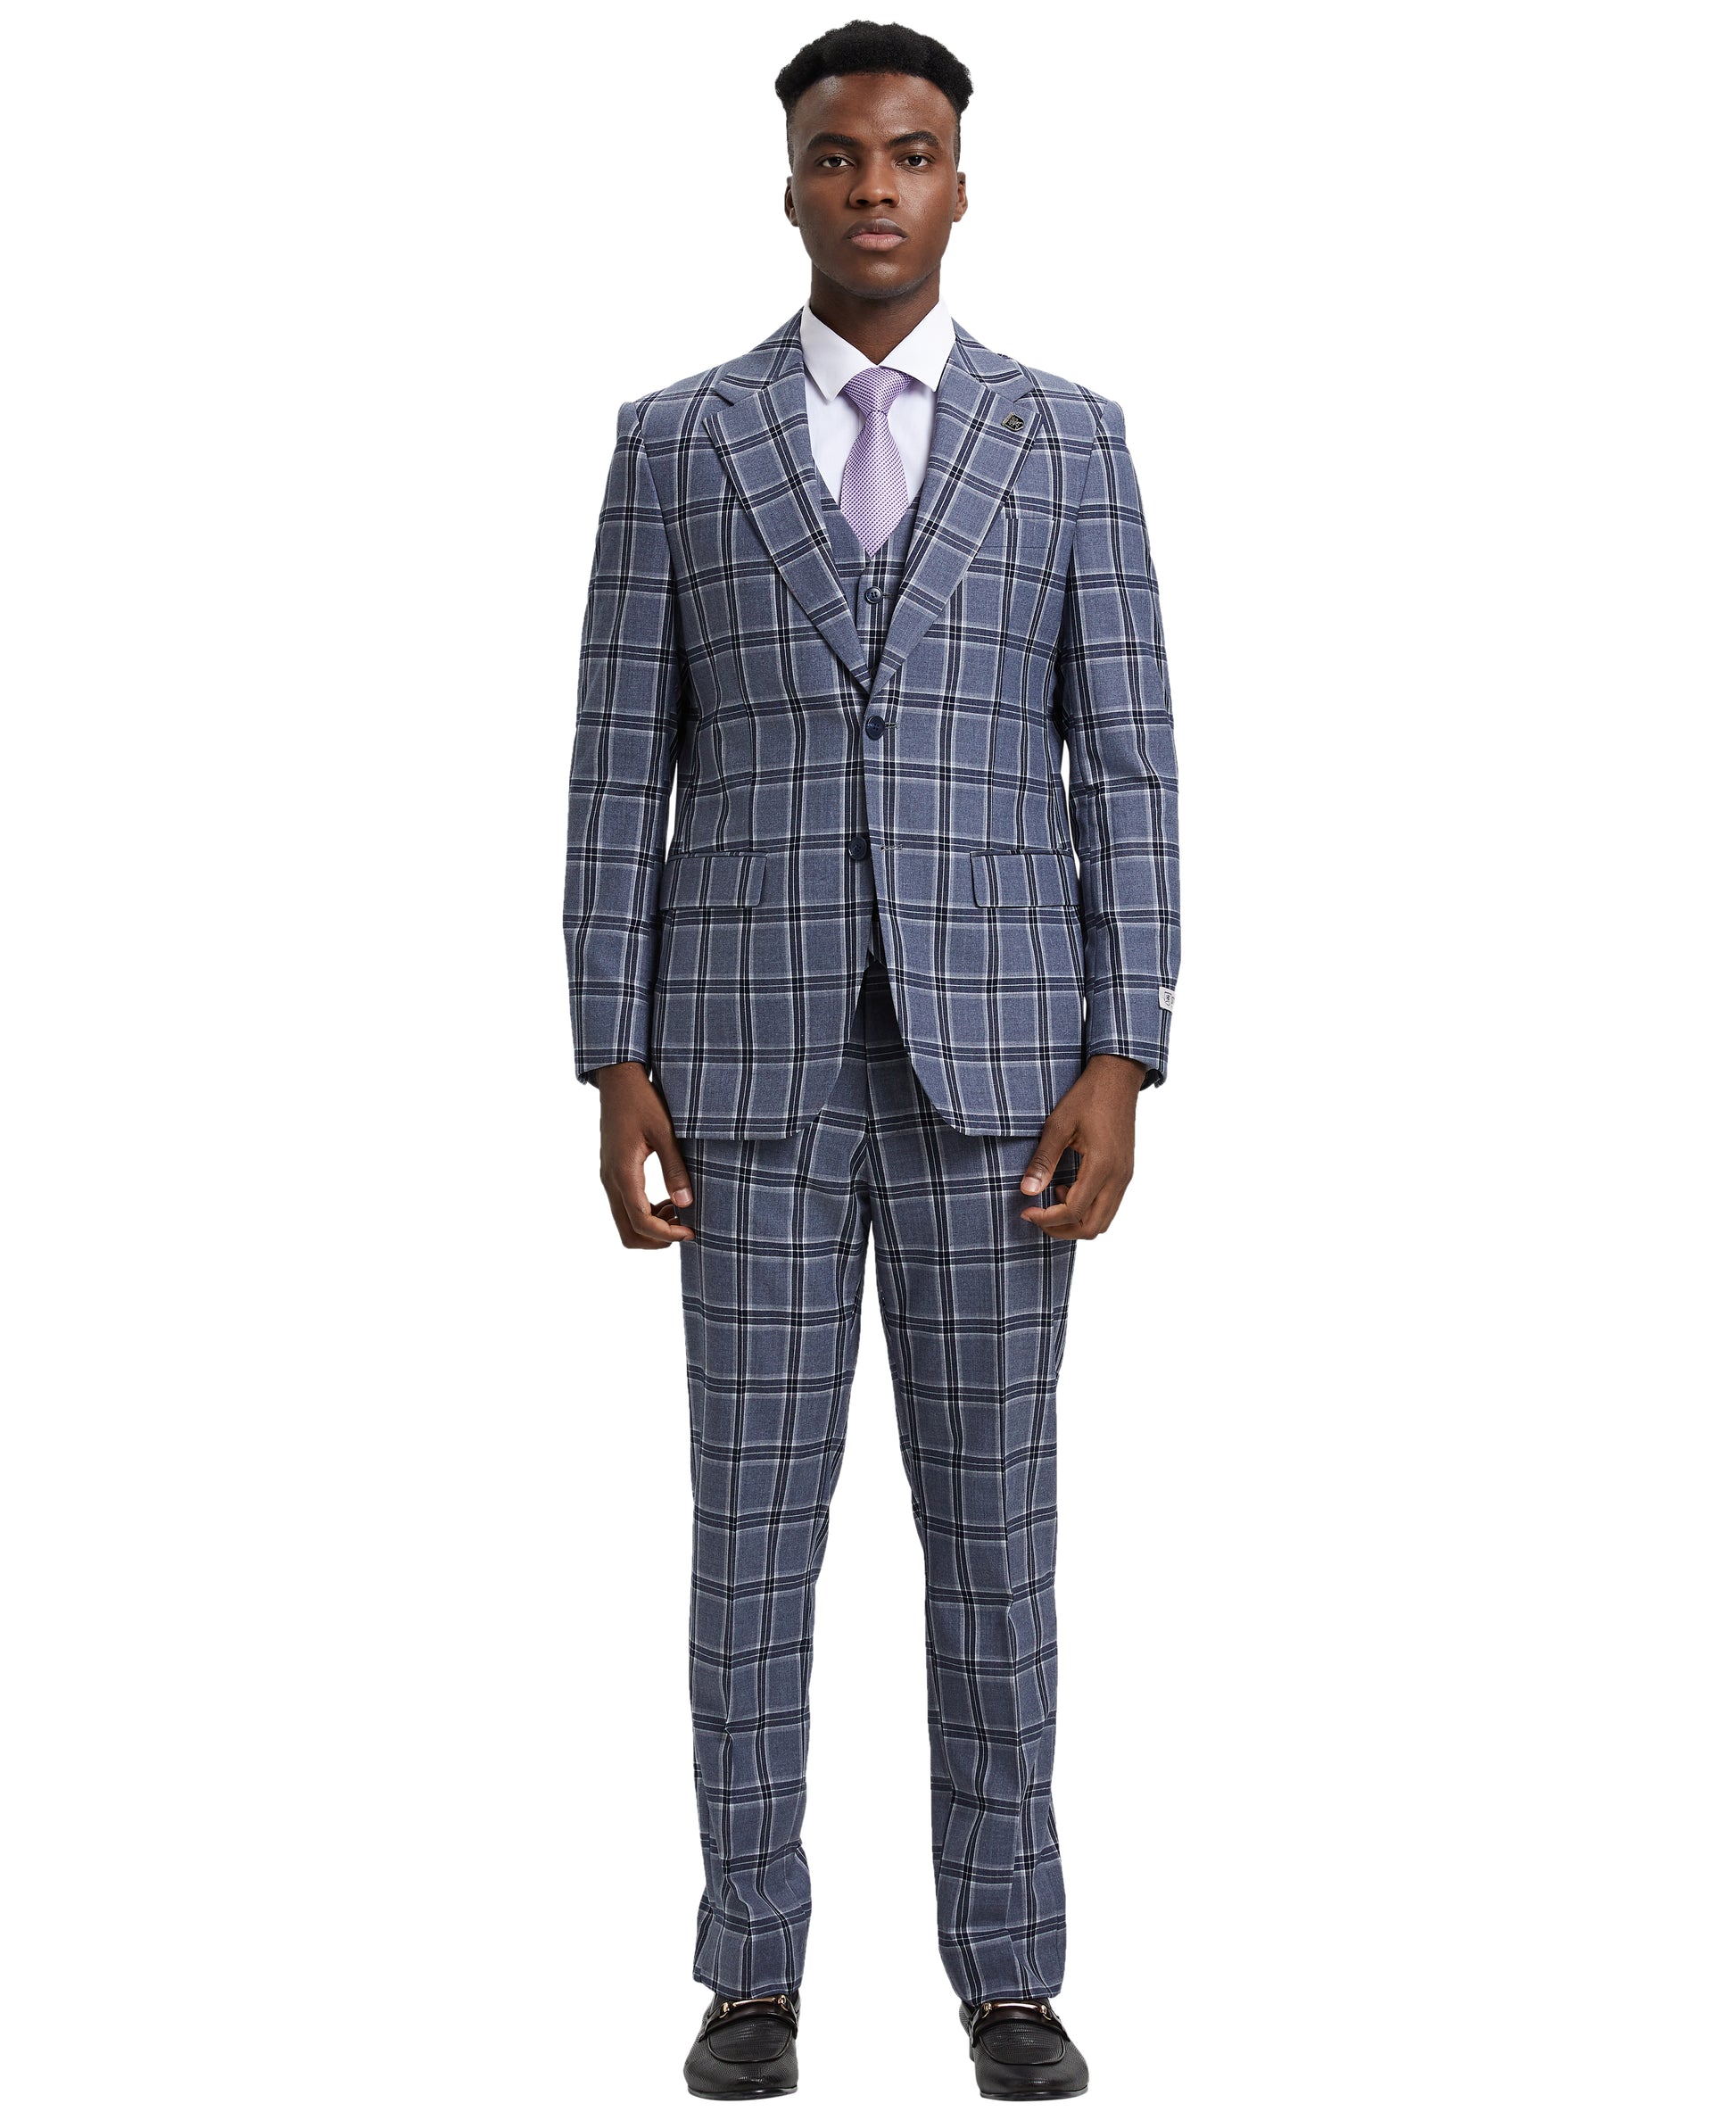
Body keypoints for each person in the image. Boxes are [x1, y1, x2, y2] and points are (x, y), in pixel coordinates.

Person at [563, 19, 1179, 2100]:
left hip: (1002, 1078)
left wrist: (1127, 1045)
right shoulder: (675, 444)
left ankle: (1008, 1970)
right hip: (741, 1076)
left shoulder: (1069, 443)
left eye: (911, 154)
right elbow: (616, 767)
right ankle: (751, 1969)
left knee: (995, 1543)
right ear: (790, 182)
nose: (874, 188)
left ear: (962, 181)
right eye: (839, 155)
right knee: (749, 1545)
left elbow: (1130, 764)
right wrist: (609, 1053)